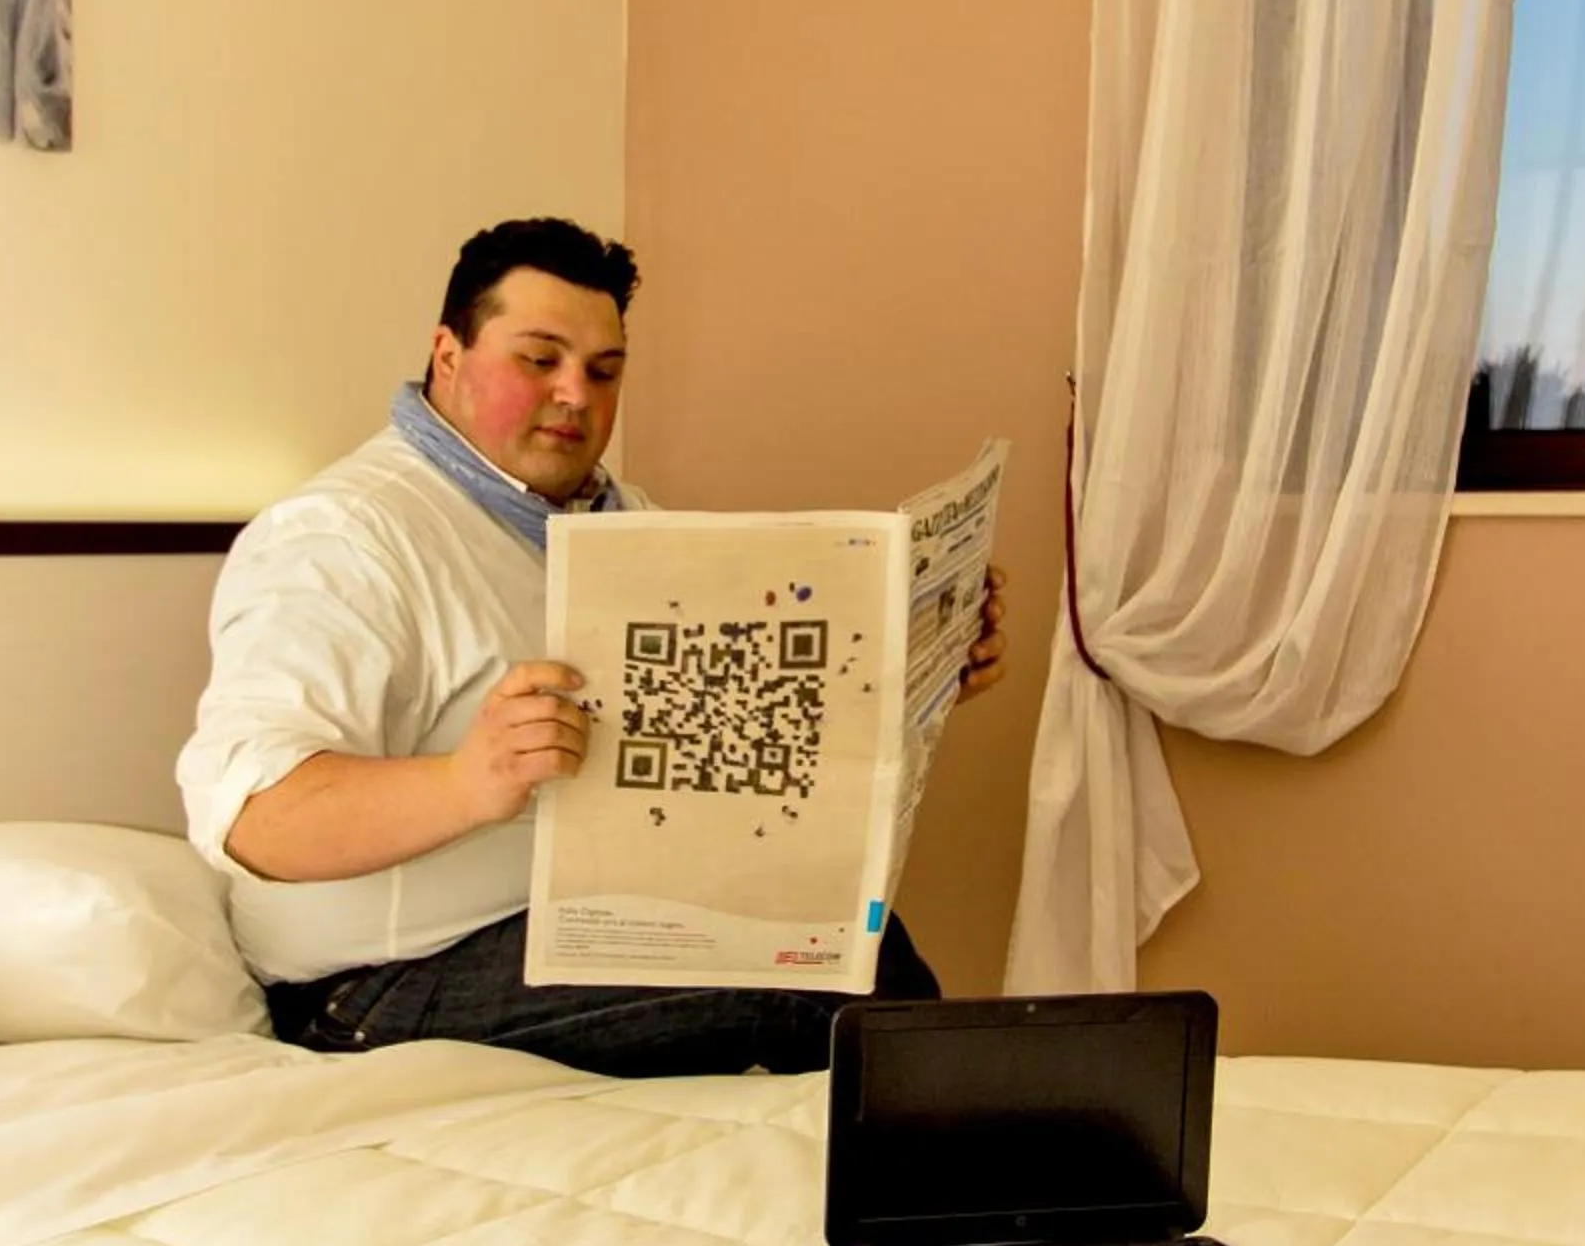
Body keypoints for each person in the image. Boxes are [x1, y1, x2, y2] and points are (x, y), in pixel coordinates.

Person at [177, 215, 1006, 1075]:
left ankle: (988, 1192)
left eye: (603, 371)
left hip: (586, 926)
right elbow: (252, 814)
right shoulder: (342, 537)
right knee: (812, 984)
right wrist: (467, 782)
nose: (576, 393)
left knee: (844, 937)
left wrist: (913, 667)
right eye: (539, 360)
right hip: (378, 980)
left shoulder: (628, 527)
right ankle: (997, 1193)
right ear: (447, 355)